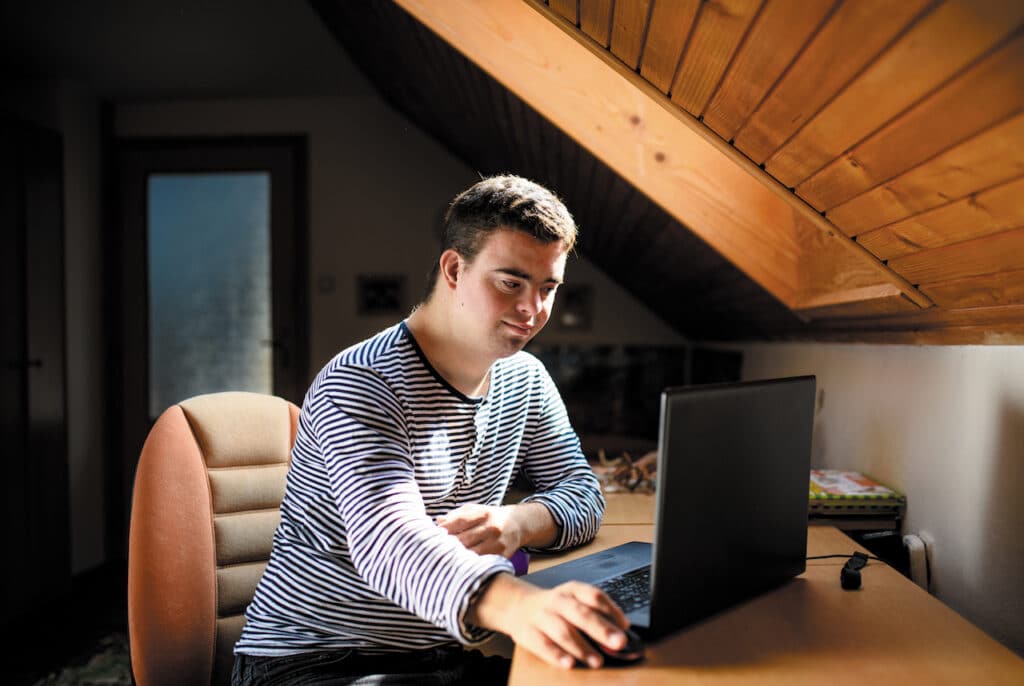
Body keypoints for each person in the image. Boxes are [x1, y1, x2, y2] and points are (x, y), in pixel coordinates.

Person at [232, 175, 631, 685]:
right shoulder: (361, 381)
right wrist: (515, 606)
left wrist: (516, 523)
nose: (533, 310)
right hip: (317, 662)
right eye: (511, 283)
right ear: (453, 269)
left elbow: (583, 494)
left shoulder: (526, 379)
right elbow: (389, 541)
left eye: (547, 288)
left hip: (448, 653)